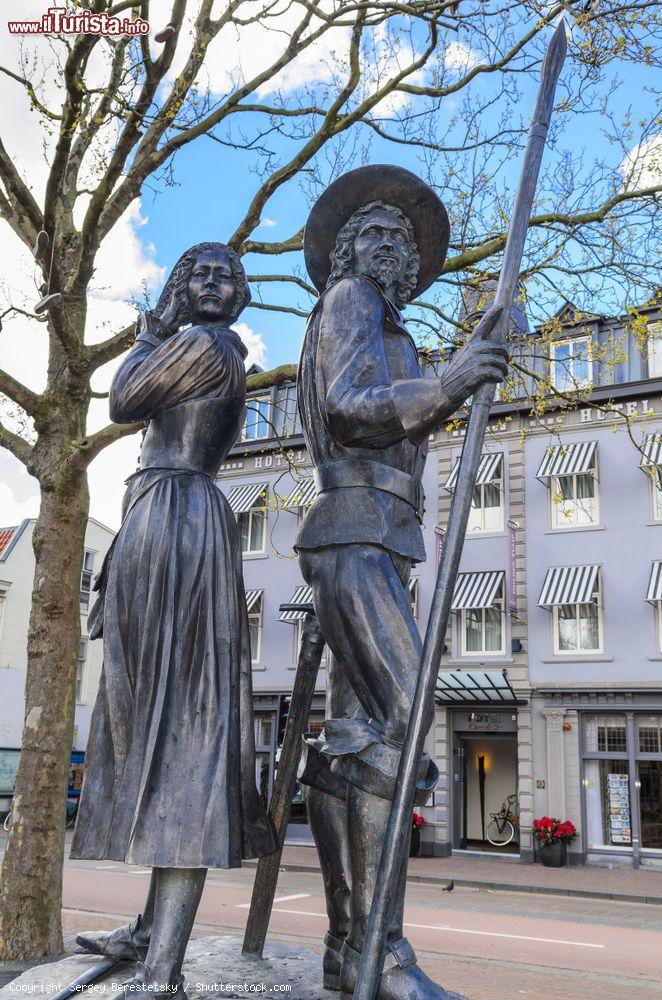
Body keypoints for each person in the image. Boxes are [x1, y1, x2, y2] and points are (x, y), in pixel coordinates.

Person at [295, 165, 507, 999]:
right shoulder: (347, 301)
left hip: (384, 536)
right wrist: (453, 380)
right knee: (408, 714)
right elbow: (353, 406)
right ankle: (379, 953)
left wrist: (470, 357)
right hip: (355, 529)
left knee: (357, 740)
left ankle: (352, 953)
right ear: (350, 249)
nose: (394, 246)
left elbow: (399, 410)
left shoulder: (387, 322)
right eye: (378, 233)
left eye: (403, 240)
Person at [70, 242, 275, 996]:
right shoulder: (219, 350)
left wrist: (154, 328)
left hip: (174, 522)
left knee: (183, 732)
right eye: (200, 273)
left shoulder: (201, 343)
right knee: (159, 719)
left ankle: (161, 970)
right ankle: (152, 933)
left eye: (226, 275)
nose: (215, 283)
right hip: (172, 519)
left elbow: (123, 399)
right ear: (185, 285)